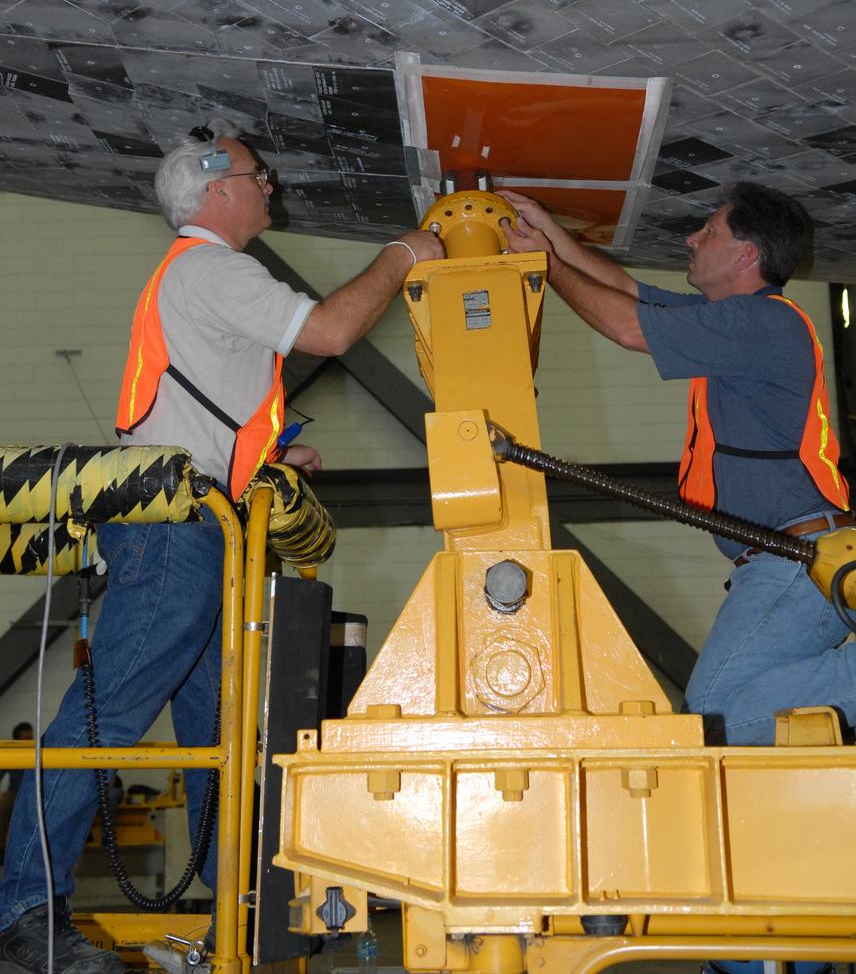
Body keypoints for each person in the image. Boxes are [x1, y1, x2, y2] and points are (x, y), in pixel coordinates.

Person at [0, 123, 443, 974]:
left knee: (217, 725)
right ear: (214, 192)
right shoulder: (210, 267)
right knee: (110, 714)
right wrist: (403, 254)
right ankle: (23, 908)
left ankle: (231, 909)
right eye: (257, 175)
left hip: (202, 529)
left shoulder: (193, 280)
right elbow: (332, 331)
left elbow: (200, 408)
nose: (269, 186)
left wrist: (271, 458)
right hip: (178, 534)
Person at [502, 182, 855, 750]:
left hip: (794, 562)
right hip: (791, 561)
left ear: (746, 256)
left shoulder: (760, 325)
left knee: (713, 724)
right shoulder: (738, 321)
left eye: (708, 230)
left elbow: (628, 327)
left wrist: (543, 264)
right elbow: (625, 291)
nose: (692, 237)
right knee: (721, 720)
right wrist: (551, 237)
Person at [0, 724, 33, 861]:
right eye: (26, 738)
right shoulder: (11, 753)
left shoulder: (36, 752)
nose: (29, 740)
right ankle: (0, 848)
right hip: (14, 794)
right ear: (17, 740)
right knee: (2, 803)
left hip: (33, 795)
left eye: (31, 737)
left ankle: (33, 851)